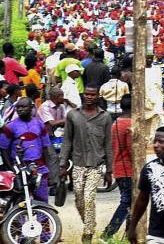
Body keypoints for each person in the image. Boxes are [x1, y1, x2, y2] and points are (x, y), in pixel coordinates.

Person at [59, 85, 113, 244]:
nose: (90, 97)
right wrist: (62, 165)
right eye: (87, 94)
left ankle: (88, 233)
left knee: (89, 198)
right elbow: (67, 141)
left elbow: (108, 144)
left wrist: (109, 170)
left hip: (96, 166)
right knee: (78, 198)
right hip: (78, 164)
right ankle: (90, 222)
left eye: (93, 94)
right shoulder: (72, 115)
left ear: (98, 96)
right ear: (83, 95)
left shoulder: (105, 117)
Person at [0, 97, 50, 201]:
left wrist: (46, 165)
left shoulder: (40, 124)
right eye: (17, 107)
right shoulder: (10, 126)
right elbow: (3, 149)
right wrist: (11, 168)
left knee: (42, 199)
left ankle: (44, 217)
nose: (19, 109)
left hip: (39, 168)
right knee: (21, 200)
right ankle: (19, 217)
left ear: (31, 107)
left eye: (23, 107)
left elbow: (46, 147)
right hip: (20, 169)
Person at [101, 94, 133, 240]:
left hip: (119, 167)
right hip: (128, 169)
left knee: (130, 203)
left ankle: (128, 235)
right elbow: (132, 149)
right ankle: (108, 234)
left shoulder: (116, 122)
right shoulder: (129, 124)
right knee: (127, 202)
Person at [38, 87, 66, 189]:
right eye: (61, 96)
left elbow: (62, 122)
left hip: (57, 135)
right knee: (53, 157)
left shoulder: (61, 107)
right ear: (55, 97)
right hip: (44, 137)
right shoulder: (44, 107)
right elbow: (51, 123)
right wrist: (64, 120)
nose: (63, 98)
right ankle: (54, 183)